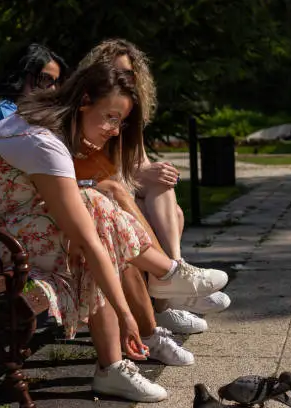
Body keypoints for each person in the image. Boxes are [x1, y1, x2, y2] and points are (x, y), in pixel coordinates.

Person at [0, 62, 228, 402]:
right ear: (83, 101)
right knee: (91, 220)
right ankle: (164, 280)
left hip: (3, 233)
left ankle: (163, 283)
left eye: (120, 121)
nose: (116, 130)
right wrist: (126, 314)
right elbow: (90, 241)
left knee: (92, 206)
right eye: (111, 117)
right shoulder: (41, 142)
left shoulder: (44, 127)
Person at [77, 39, 231, 331]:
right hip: (103, 199)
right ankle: (173, 286)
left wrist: (150, 173)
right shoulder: (92, 115)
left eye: (130, 76)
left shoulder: (127, 118)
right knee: (175, 214)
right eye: (116, 73)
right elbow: (96, 177)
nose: (123, 81)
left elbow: (139, 166)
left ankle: (173, 280)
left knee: (165, 189)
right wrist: (140, 176)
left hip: (123, 194)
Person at [0, 43, 69, 149]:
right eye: (45, 79)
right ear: (22, 76)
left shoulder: (16, 110)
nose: (53, 89)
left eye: (56, 82)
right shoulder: (4, 112)